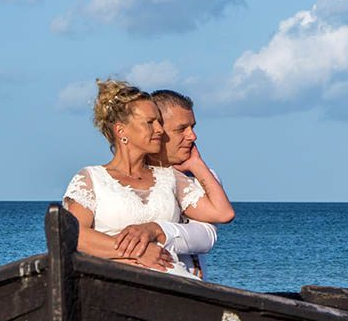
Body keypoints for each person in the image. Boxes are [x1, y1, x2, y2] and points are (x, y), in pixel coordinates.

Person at [63, 78, 234, 276]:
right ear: (121, 131)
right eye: (150, 123)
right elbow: (74, 235)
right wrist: (137, 252)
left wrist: (196, 163)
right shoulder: (91, 179)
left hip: (176, 285)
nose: (159, 130)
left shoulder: (170, 177)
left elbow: (223, 214)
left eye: (159, 123)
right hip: (116, 284)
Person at [113, 89, 220, 277]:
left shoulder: (201, 177)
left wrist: (158, 230)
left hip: (186, 289)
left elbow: (206, 236)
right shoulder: (122, 179)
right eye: (181, 129)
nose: (192, 136)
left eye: (193, 127)